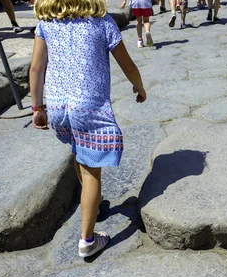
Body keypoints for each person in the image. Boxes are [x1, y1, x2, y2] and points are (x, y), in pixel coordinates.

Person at [30, 0, 146, 258]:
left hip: (60, 108)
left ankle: (92, 204)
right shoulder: (102, 22)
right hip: (89, 108)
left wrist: (37, 108)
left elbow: (37, 67)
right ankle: (88, 240)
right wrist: (139, 86)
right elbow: (126, 63)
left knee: (79, 153)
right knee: (92, 171)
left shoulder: (46, 24)